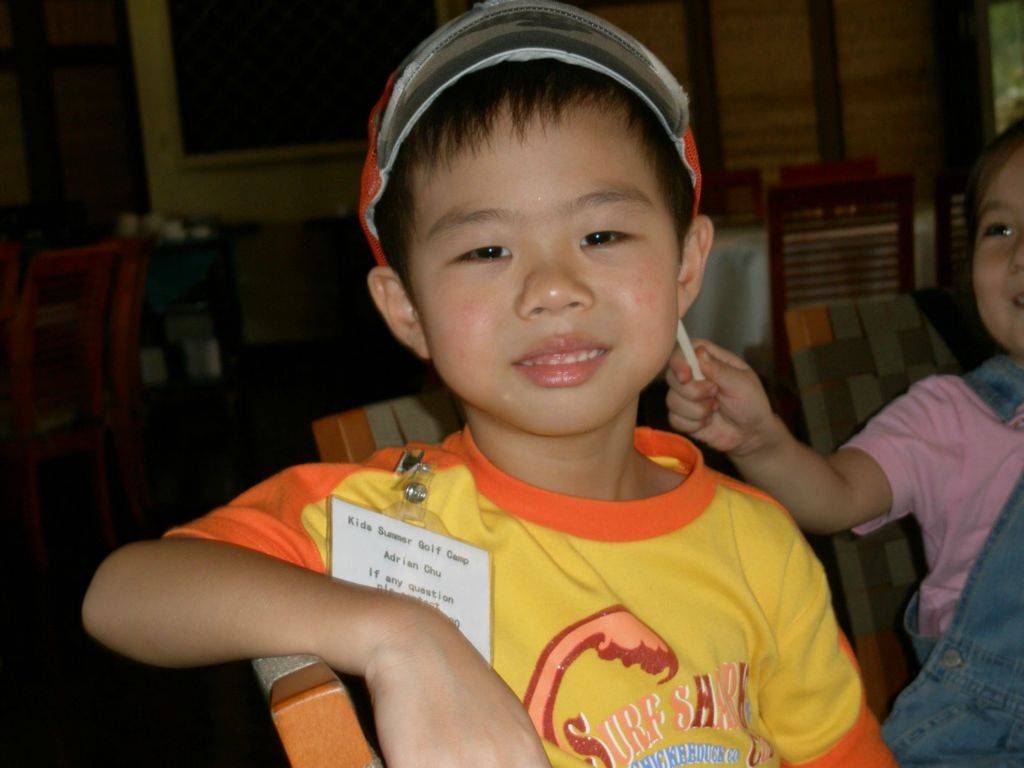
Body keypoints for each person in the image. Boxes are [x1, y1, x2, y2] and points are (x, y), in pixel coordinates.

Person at [83, 2, 894, 766]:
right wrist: (399, 633)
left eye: (602, 234)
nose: (553, 288)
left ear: (685, 265)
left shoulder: (759, 543)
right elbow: (123, 595)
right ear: (406, 310)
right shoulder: (398, 524)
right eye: (486, 251)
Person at [665, 118, 1024, 766]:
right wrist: (759, 439)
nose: (1021, 253)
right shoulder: (951, 416)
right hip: (975, 739)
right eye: (999, 229)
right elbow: (833, 495)